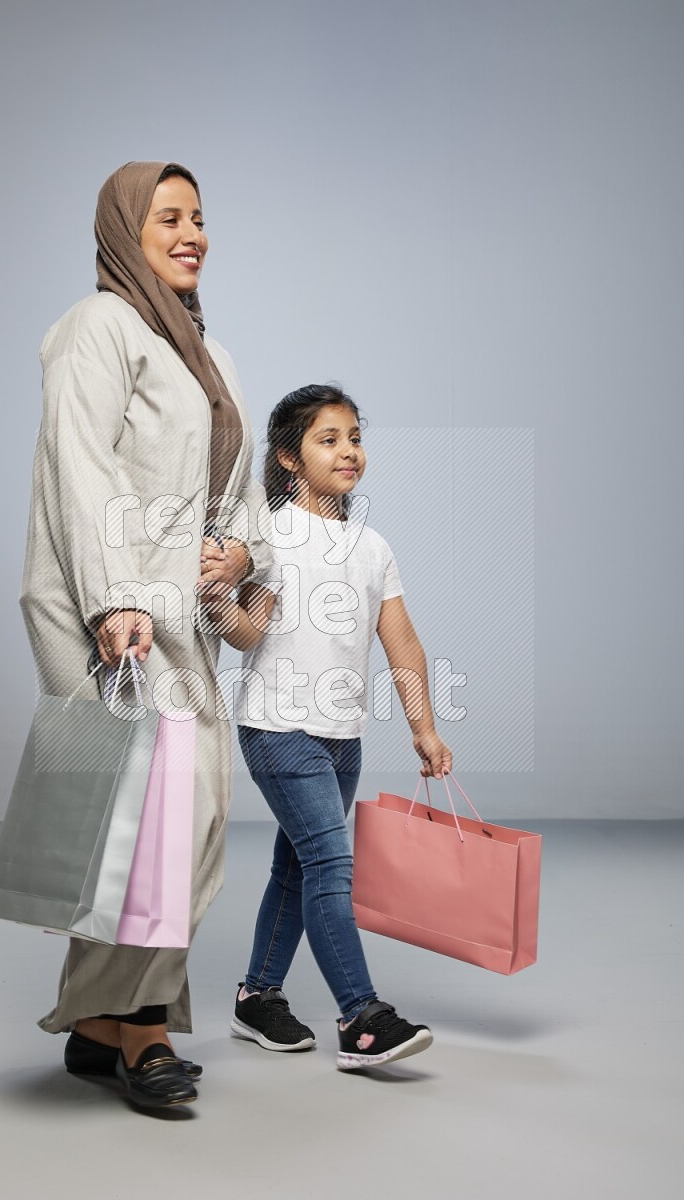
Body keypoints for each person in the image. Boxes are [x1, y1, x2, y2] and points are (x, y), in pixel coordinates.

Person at [17, 160, 272, 1109]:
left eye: (200, 216)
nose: (191, 232)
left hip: (179, 612)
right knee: (153, 823)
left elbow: (237, 493)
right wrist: (112, 598)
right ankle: (147, 1031)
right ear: (126, 229)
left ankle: (95, 1022)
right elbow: (79, 467)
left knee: (164, 816)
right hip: (106, 608)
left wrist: (238, 554)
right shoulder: (97, 329)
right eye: (168, 217)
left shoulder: (212, 355)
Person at [198, 383, 453, 1070]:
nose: (348, 451)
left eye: (353, 437)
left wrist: (424, 729)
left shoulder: (372, 547)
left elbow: (402, 642)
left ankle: (257, 998)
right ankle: (362, 1019)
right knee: (331, 863)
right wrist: (219, 597)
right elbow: (250, 635)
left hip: (343, 738)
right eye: (327, 439)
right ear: (288, 457)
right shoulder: (270, 536)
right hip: (277, 728)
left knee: (296, 867)